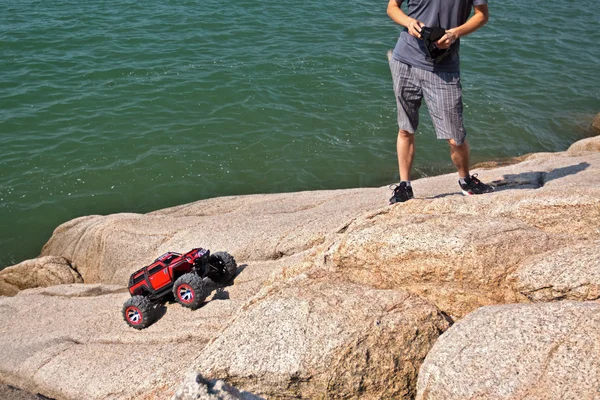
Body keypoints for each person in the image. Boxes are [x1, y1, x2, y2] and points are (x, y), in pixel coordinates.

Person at [386, 0, 494, 204]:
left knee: (455, 137)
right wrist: (409, 22)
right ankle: (405, 186)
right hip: (404, 61)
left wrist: (455, 33)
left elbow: (482, 15)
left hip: (443, 67)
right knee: (405, 129)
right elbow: (392, 7)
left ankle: (466, 180)